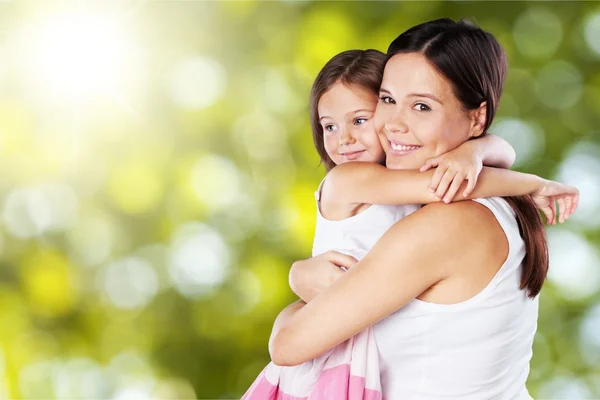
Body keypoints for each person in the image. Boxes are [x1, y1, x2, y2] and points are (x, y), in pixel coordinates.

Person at [268, 18, 579, 399]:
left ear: (476, 117)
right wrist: (482, 154)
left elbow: (287, 346)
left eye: (421, 106)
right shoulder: (470, 204)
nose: (394, 124)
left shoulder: (447, 223)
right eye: (386, 100)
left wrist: (296, 293)